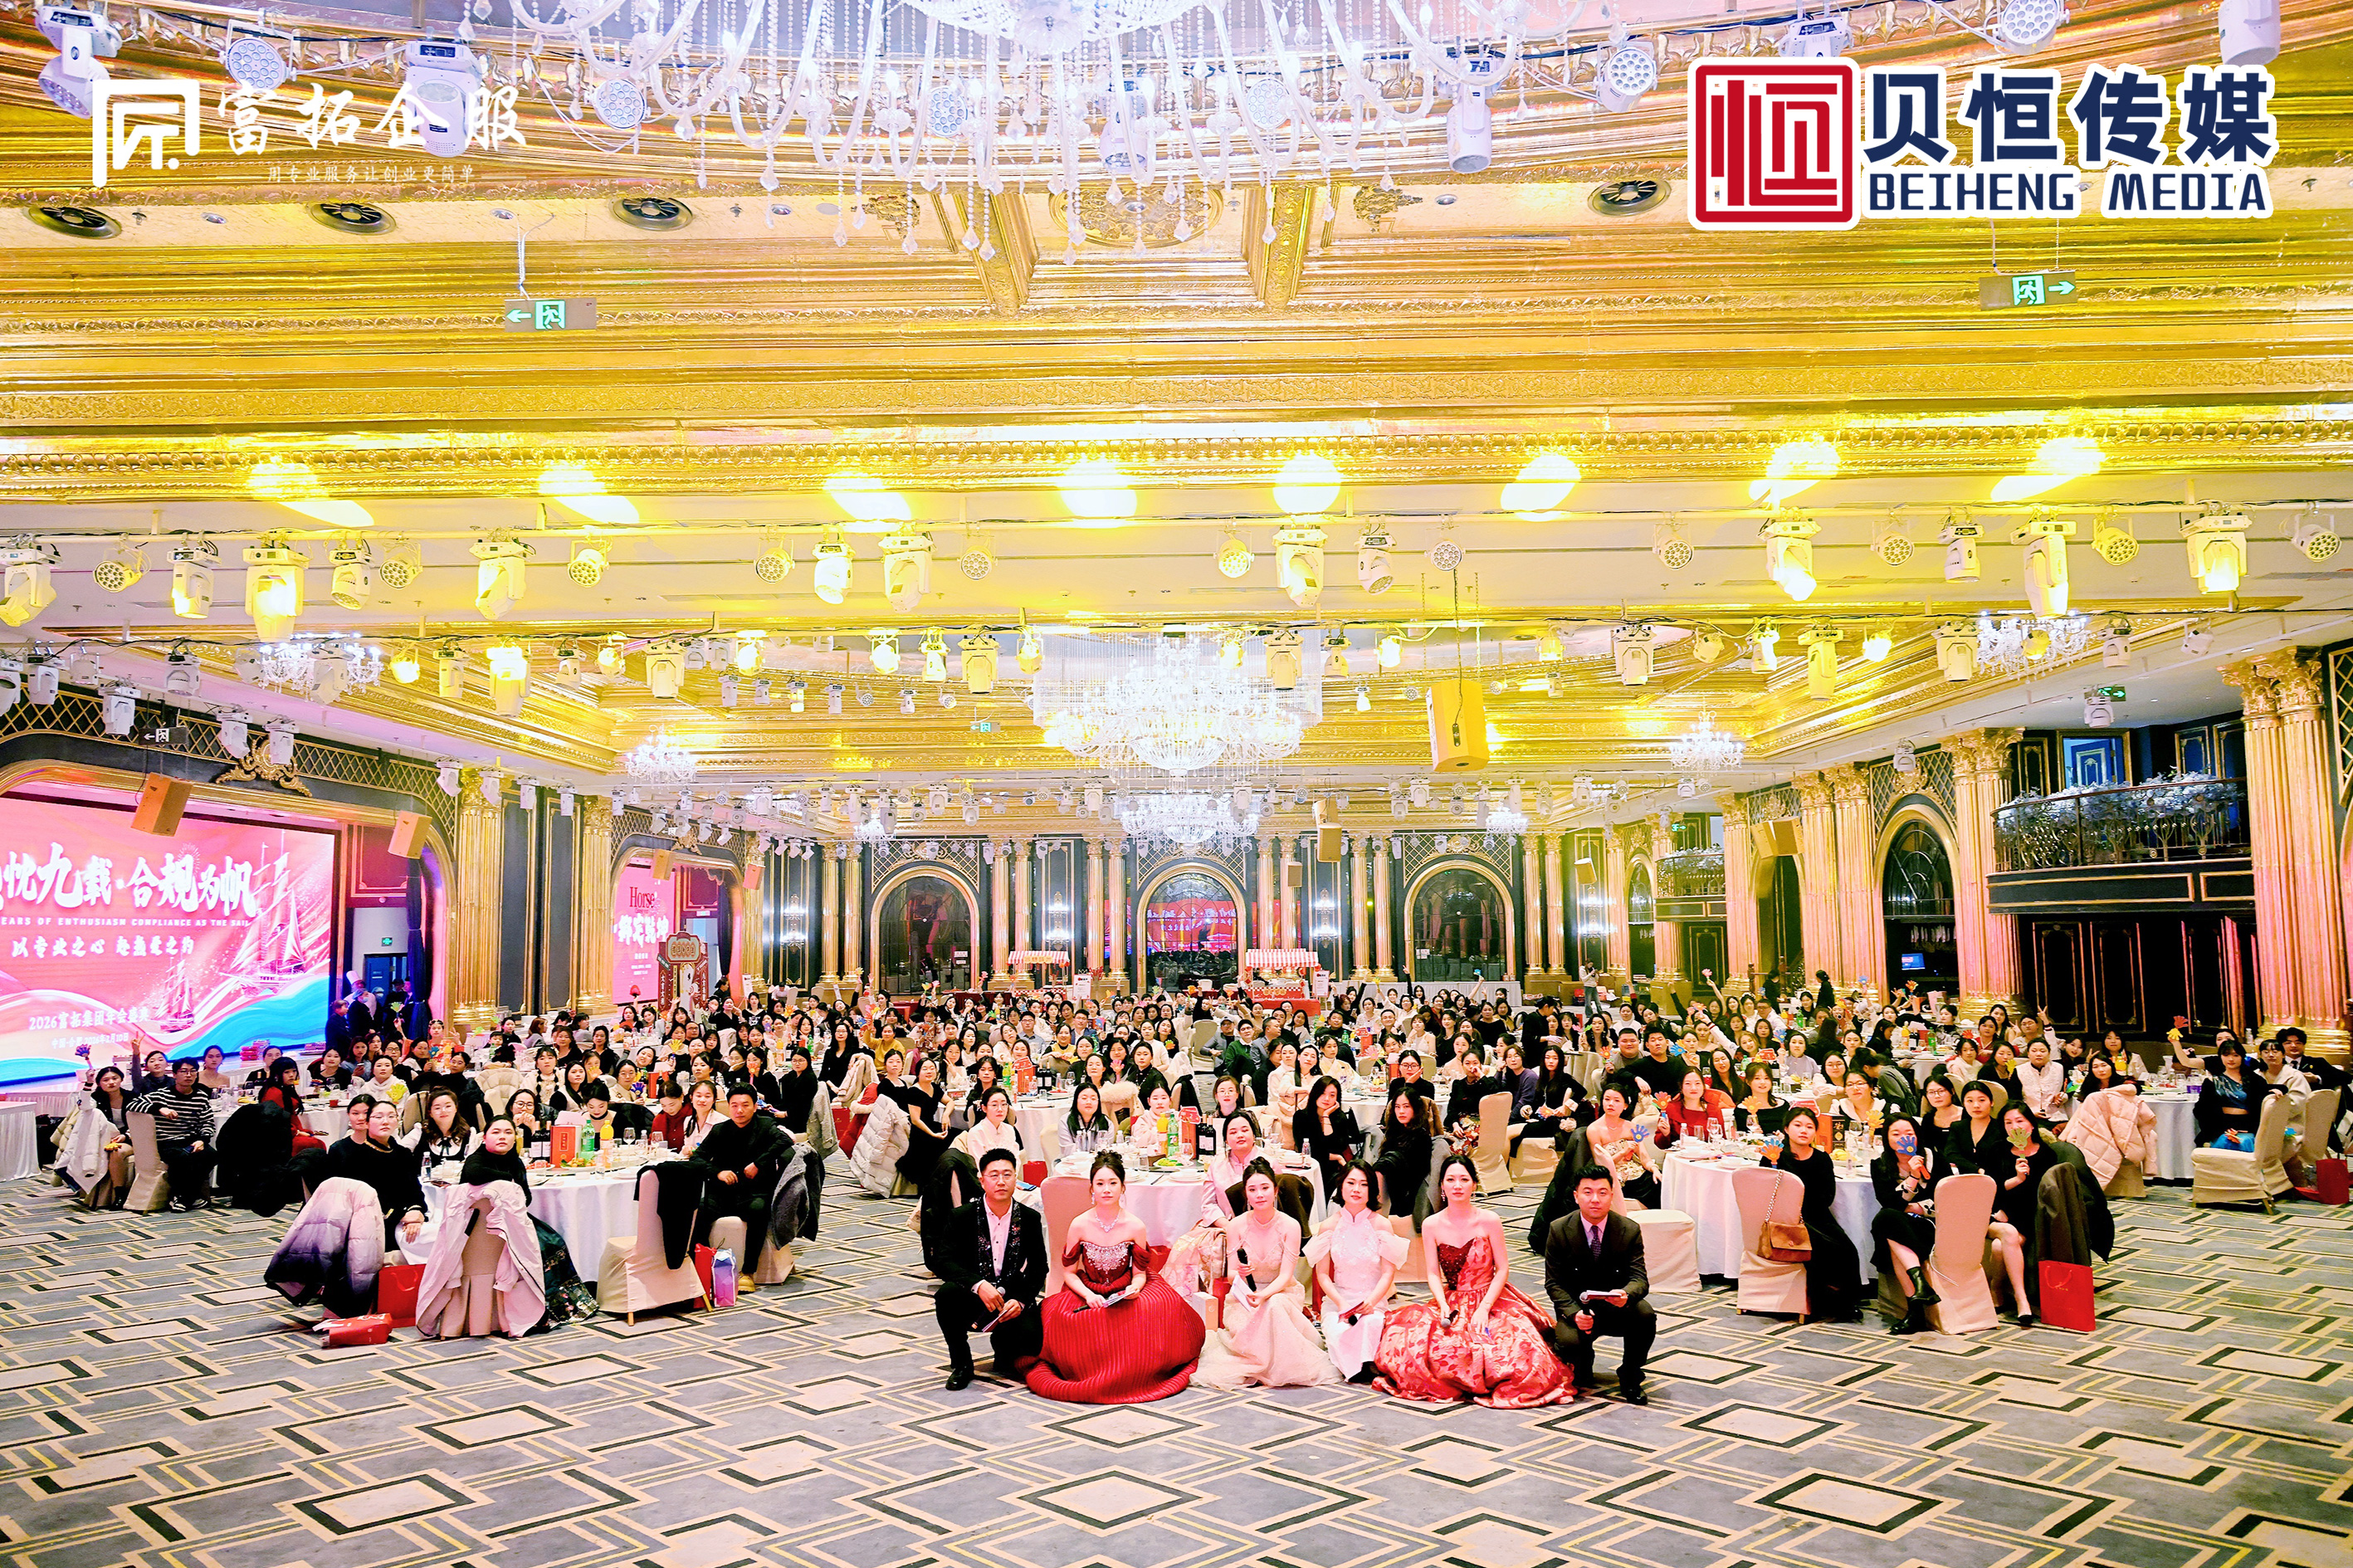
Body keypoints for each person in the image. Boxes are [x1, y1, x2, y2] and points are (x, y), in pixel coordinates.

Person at [1374, 1155, 1569, 1408]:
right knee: (1432, 1351)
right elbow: (1432, 1272)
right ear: (1442, 1186)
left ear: (1474, 1184)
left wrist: (1485, 1308)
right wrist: (1443, 1304)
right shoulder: (1432, 1224)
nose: (1457, 1186)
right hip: (1453, 1300)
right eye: (1450, 1180)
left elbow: (1503, 1269)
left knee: (1516, 1355)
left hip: (1492, 1297)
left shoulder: (1489, 1220)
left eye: (1464, 1179)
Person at [1026, 1151, 1207, 1404]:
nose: (1106, 1189)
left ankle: (1140, 1372)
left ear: (1123, 1187)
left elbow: (1140, 1273)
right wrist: (1089, 1295)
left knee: (1160, 1308)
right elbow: (1069, 1273)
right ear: (1091, 1188)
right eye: (1100, 1183)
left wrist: (1135, 1287)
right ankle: (1097, 1375)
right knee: (1072, 1319)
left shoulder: (1135, 1225)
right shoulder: (1079, 1224)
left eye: (1113, 1183)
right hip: (1088, 1288)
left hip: (1125, 1287)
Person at [1196, 1160, 1337, 1390]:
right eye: (1252, 1189)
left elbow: (1285, 1276)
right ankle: (1265, 1364)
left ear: (1276, 1190)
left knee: (1274, 1306)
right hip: (1245, 1296)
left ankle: (1281, 1367)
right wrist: (1241, 1275)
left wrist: (1264, 1296)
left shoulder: (1291, 1226)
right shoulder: (1236, 1226)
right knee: (1263, 1310)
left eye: (1265, 1188)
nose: (1259, 1195)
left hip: (1282, 1292)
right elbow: (1231, 1275)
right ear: (1246, 1194)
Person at [935, 1146, 1048, 1390]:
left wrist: (1020, 1300)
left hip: (1010, 1296)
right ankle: (962, 1364)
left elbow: (1039, 1268)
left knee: (1032, 1340)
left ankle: (1004, 1348)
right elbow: (944, 1261)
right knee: (946, 1296)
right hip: (974, 1294)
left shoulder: (1029, 1218)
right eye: (994, 1175)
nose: (1001, 1182)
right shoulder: (962, 1216)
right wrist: (978, 1285)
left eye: (1007, 1175)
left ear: (1016, 1179)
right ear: (982, 1180)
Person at [1543, 1169, 1654, 1403]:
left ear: (1612, 1196)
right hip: (1578, 1308)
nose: (1595, 1199)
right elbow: (1554, 1283)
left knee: (1645, 1314)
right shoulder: (1559, 1229)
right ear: (1576, 1196)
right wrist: (1574, 1313)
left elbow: (1639, 1278)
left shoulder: (1628, 1229)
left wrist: (1626, 1294)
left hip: (1616, 1306)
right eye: (1588, 1192)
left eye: (1602, 1193)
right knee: (1576, 1363)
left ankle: (1630, 1374)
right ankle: (1583, 1361)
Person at [1307, 1162, 1408, 1384]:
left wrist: (1372, 1302)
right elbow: (1322, 1275)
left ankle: (1367, 1363)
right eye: (1351, 1183)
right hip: (1339, 1300)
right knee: (1339, 1331)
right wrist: (1341, 1303)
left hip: (1373, 1299)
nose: (1356, 1189)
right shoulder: (1328, 1226)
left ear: (1371, 1189)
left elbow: (1387, 1273)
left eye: (1363, 1184)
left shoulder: (1382, 1225)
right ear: (1341, 1186)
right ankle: (1359, 1366)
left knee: (1370, 1324)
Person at [1757, 1108, 1862, 1321]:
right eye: (1797, 1125)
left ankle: (1845, 1301)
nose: (1803, 1130)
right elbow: (1766, 1191)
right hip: (1786, 1219)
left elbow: (1827, 1196)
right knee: (1817, 1247)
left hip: (1817, 1216)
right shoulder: (1774, 1156)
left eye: (1809, 1127)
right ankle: (1822, 1301)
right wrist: (1773, 1163)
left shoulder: (1822, 1159)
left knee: (1846, 1248)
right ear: (1786, 1129)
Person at [689, 1087, 793, 1287]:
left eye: (745, 1105)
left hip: (754, 1192)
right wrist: (718, 1172)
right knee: (699, 1209)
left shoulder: (765, 1126)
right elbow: (697, 1158)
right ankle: (701, 1266)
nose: (739, 1110)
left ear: (755, 1107)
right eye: (734, 1105)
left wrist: (758, 1164)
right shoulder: (720, 1130)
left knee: (758, 1210)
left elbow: (786, 1140)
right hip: (723, 1193)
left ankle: (748, 1272)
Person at [1871, 1114, 1947, 1336]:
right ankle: (1919, 1289)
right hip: (1901, 1226)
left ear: (1917, 1136)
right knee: (1889, 1221)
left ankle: (1915, 1308)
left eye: (1909, 1133)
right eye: (1896, 1134)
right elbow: (1888, 1202)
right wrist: (1913, 1177)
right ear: (1887, 1138)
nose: (1903, 1138)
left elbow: (1946, 1199)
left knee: (1886, 1224)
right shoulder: (1880, 1164)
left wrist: (1916, 1208)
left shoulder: (1934, 1159)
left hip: (1932, 1226)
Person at [130, 1058, 218, 1210]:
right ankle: (184, 1197)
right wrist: (159, 1109)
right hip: (167, 1141)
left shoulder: (201, 1097)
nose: (188, 1075)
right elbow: (132, 1104)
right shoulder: (162, 1095)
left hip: (190, 1140)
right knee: (182, 1157)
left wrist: (203, 1140)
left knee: (211, 1155)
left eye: (192, 1071)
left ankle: (184, 1197)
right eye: (184, 1071)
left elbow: (207, 1123)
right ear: (175, 1075)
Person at [1291, 1076, 1361, 1199]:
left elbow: (1336, 1147)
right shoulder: (1301, 1117)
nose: (1327, 1099)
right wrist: (1337, 1157)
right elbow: (1308, 1151)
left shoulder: (1340, 1118)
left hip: (1332, 1169)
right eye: (1323, 1093)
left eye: (1332, 1095)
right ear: (1315, 1094)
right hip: (1310, 1166)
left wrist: (1326, 1116)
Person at [1370, 1087, 1434, 1217]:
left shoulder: (1422, 1137)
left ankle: (1377, 1217)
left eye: (1406, 1106)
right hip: (1390, 1187)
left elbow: (1416, 1176)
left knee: (1381, 1168)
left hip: (1407, 1197)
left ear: (1415, 1108)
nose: (1401, 1111)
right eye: (1397, 1107)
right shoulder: (1394, 1132)